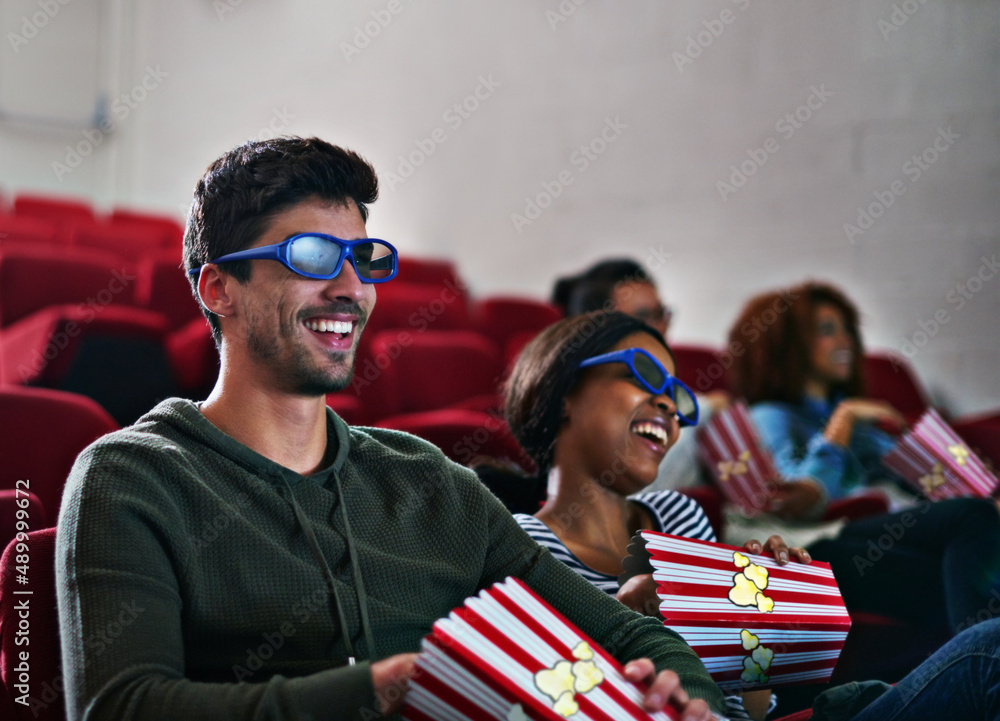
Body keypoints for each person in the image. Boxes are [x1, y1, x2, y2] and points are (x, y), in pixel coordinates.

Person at [54, 137, 728, 721]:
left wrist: (686, 697)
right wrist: (377, 691)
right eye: (315, 255)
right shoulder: (131, 478)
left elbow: (633, 636)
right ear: (219, 289)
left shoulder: (429, 480)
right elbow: (124, 706)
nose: (352, 286)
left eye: (364, 258)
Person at [491, 310, 811, 721]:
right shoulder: (525, 547)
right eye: (642, 374)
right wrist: (627, 625)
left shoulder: (680, 516)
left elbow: (744, 710)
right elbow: (557, 702)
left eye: (675, 396)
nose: (669, 407)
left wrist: (757, 620)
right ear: (562, 391)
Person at [727, 281, 1000, 635]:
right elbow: (797, 500)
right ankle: (982, 664)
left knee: (967, 551)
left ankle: (969, 665)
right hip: (818, 546)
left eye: (847, 330)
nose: (846, 342)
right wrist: (843, 423)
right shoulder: (771, 416)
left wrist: (970, 481)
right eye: (827, 331)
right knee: (968, 517)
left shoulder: (861, 423)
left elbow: (922, 483)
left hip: (879, 536)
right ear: (788, 345)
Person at [550, 258, 724, 493]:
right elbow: (636, 489)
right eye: (643, 316)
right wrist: (705, 410)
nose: (660, 327)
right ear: (598, 327)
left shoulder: (667, 386)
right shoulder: (580, 389)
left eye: (661, 313)